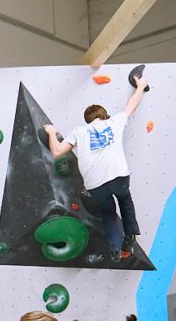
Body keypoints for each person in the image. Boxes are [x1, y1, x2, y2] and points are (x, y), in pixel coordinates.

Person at [43, 75, 148, 261]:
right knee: (125, 200)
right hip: (118, 176)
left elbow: (58, 152)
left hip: (95, 184)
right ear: (104, 115)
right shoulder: (114, 122)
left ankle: (115, 249)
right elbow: (132, 104)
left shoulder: (79, 132)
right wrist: (140, 86)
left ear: (88, 120)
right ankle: (130, 236)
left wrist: (51, 132)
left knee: (108, 212)